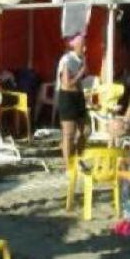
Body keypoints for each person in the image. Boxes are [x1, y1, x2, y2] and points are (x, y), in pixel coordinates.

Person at [56, 33, 89, 168]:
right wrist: (81, 73)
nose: (84, 48)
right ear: (74, 45)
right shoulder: (67, 60)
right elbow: (67, 83)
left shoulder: (81, 58)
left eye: (85, 45)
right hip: (67, 97)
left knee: (85, 130)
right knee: (69, 133)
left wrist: (85, 96)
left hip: (78, 96)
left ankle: (79, 158)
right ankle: (68, 164)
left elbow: (81, 80)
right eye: (82, 45)